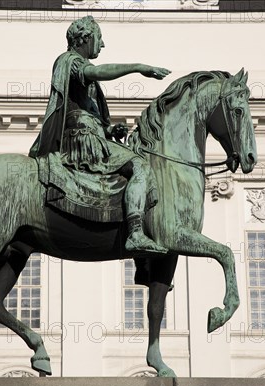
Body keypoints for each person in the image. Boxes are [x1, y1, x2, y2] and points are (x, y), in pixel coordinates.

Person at [29, 16, 171, 254]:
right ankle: (135, 232)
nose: (102, 45)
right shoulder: (70, 61)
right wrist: (138, 67)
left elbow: (85, 111)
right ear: (85, 38)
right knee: (140, 165)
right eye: (100, 38)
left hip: (93, 135)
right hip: (80, 140)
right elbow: (96, 73)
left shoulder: (78, 67)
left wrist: (109, 130)